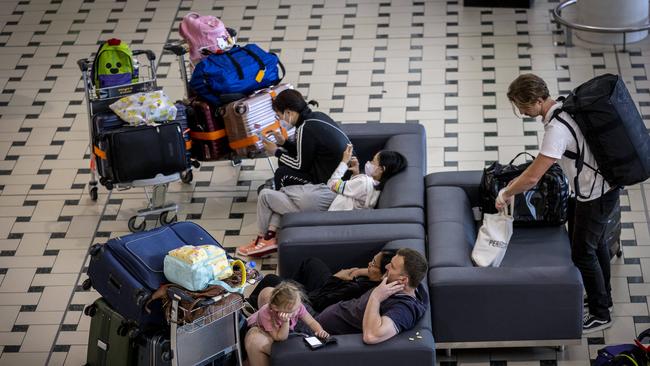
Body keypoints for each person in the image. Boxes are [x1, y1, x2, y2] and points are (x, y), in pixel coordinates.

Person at [500, 73, 620, 334]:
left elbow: (533, 176)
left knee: (582, 252)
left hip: (594, 193)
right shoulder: (566, 108)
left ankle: (601, 313)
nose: (521, 112)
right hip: (593, 190)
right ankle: (603, 297)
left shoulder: (556, 129)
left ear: (538, 100)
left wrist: (507, 192)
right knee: (596, 244)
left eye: (523, 106)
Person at [236, 145, 407, 257]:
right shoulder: (374, 187)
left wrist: (343, 163)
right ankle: (271, 237)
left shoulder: (365, 182)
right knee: (279, 199)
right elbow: (357, 196)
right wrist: (356, 172)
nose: (369, 163)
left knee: (267, 195)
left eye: (373, 161)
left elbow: (332, 184)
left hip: (323, 203)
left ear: (381, 169)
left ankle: (260, 238)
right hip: (326, 204)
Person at [314, 248, 428, 344]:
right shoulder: (410, 286)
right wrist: (359, 272)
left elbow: (371, 337)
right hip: (319, 317)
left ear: (403, 280)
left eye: (392, 266)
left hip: (316, 330)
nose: (387, 266)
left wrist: (376, 297)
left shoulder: (403, 309)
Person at [247, 250, 397, 313]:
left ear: (383, 273)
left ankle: (249, 306)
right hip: (332, 290)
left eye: (373, 264)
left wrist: (336, 277)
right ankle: (288, 287)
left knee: (270, 279)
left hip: (315, 304)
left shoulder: (357, 289)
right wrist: (358, 271)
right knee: (311, 263)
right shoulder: (379, 279)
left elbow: (320, 301)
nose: (369, 264)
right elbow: (369, 271)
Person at [262, 89, 350, 190]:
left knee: (281, 174)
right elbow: (305, 152)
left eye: (279, 116)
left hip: (333, 182)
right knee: (284, 161)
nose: (279, 120)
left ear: (288, 112)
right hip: (341, 172)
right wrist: (284, 143)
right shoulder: (317, 116)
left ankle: (283, 202)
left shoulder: (304, 128)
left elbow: (300, 165)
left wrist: (276, 152)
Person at [244, 281, 329, 366]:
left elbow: (311, 321)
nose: (297, 312)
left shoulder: (297, 307)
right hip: (259, 330)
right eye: (291, 311)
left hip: (278, 331)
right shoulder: (266, 314)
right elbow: (279, 338)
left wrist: (320, 330)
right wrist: (285, 322)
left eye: (298, 307)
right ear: (275, 307)